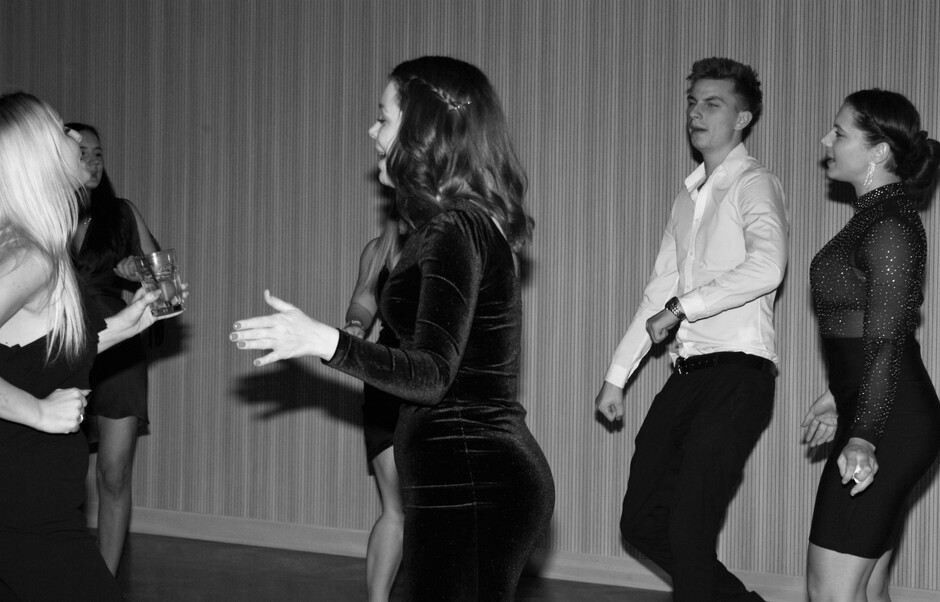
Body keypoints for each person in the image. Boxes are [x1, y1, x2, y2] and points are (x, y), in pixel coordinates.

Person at [231, 56, 555, 601]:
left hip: (473, 480)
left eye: (382, 117)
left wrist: (321, 340)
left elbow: (430, 376)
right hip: (461, 478)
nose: (371, 130)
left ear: (424, 131)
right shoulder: (450, 226)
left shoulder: (455, 228)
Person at [594, 57, 788, 601]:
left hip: (739, 375)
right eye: (692, 102)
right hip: (687, 376)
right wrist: (616, 376)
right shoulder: (687, 199)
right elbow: (657, 293)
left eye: (712, 104)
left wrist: (683, 308)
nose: (696, 113)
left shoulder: (755, 184)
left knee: (689, 527)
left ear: (742, 119)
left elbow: (768, 267)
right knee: (641, 521)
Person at [0, 92, 162, 600]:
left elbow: (34, 354)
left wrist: (123, 327)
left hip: (36, 506)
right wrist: (36, 411)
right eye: (61, 131)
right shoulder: (31, 255)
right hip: (27, 510)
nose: (74, 138)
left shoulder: (40, 247)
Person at [801, 89, 940, 601]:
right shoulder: (876, 216)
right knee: (865, 587)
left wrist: (862, 436)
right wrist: (838, 393)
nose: (826, 140)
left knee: (831, 593)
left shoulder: (890, 226)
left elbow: (886, 342)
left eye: (839, 133)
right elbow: (862, 327)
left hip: (887, 424)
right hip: (877, 412)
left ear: (878, 151)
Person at [68, 122, 161, 575]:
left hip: (117, 351)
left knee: (113, 473)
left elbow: (167, 284)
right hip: (59, 350)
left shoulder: (122, 213)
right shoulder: (38, 214)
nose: (92, 162)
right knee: (58, 478)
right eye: (81, 153)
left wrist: (139, 270)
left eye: (98, 153)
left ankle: (104, 582)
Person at [343, 217, 405, 602]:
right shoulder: (379, 249)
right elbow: (363, 301)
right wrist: (355, 324)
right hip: (387, 376)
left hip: (440, 379)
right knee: (396, 506)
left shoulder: (452, 245)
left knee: (439, 507)